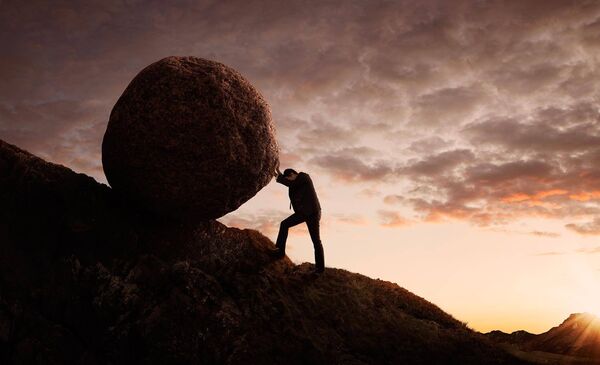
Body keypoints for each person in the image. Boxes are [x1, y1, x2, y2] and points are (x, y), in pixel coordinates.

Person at [269, 166, 325, 274]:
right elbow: (290, 184)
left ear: (293, 174)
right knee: (284, 224)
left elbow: (291, 184)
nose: (288, 181)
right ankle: (280, 251)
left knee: (316, 241)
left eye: (288, 178)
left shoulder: (304, 176)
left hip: (313, 213)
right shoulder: (294, 184)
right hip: (302, 213)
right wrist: (279, 175)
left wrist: (278, 176)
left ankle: (319, 269)